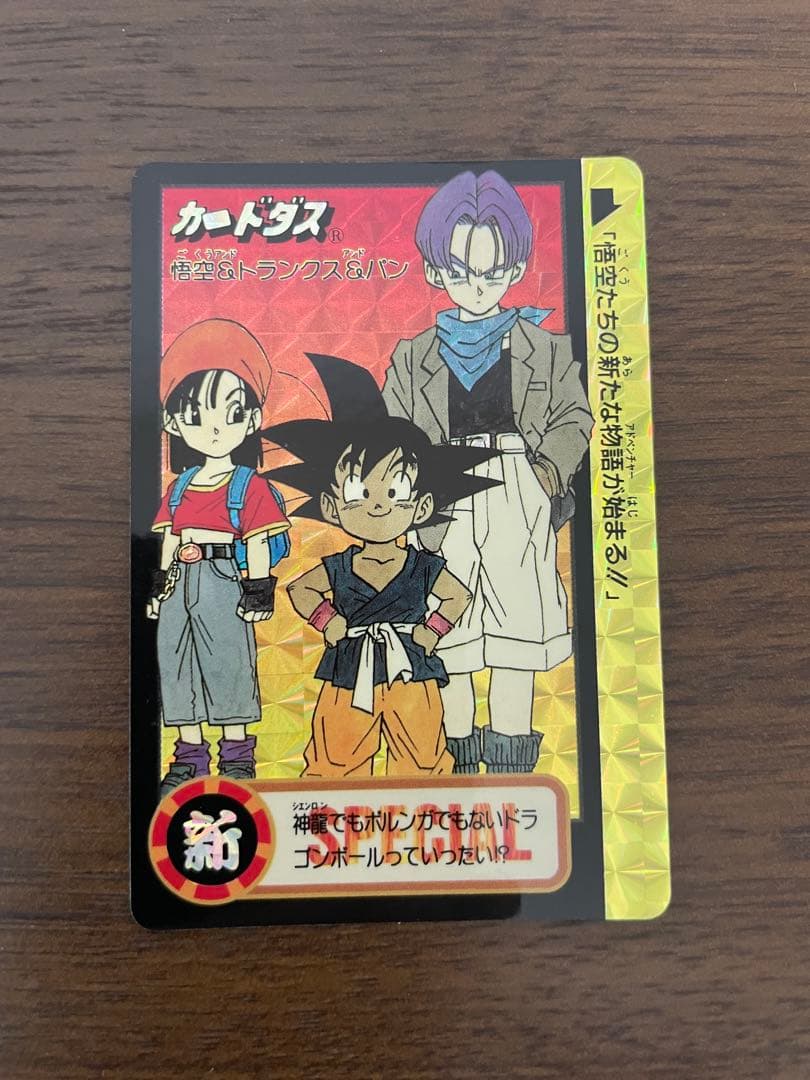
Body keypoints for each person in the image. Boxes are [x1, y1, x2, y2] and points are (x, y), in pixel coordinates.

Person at [382, 170, 594, 774]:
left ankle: (510, 767)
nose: (476, 285)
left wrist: (545, 477)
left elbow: (574, 417)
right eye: (460, 272)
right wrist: (417, 498)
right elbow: (393, 432)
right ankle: (456, 761)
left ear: (515, 268)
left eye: (492, 272)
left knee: (515, 636)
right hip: (442, 498)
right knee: (446, 632)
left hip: (516, 491)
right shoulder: (412, 356)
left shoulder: (546, 347)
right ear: (435, 272)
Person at [264, 353, 499, 778]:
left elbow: (457, 596)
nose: (377, 506)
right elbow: (300, 589)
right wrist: (328, 620)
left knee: (422, 761)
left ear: (422, 506)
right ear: (331, 506)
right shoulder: (339, 565)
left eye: (395, 492)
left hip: (412, 670)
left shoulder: (422, 565)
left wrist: (432, 631)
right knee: (336, 761)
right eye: (358, 492)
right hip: (349, 668)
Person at [148, 319, 290, 795]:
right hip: (179, 584)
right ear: (173, 422)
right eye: (195, 415)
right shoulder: (180, 486)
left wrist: (258, 592)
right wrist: (157, 586)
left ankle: (237, 757)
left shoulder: (251, 486)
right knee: (178, 663)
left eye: (230, 414)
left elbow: (256, 542)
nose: (212, 429)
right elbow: (168, 538)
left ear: (252, 419)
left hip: (225, 577)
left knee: (228, 664)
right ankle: (189, 756)